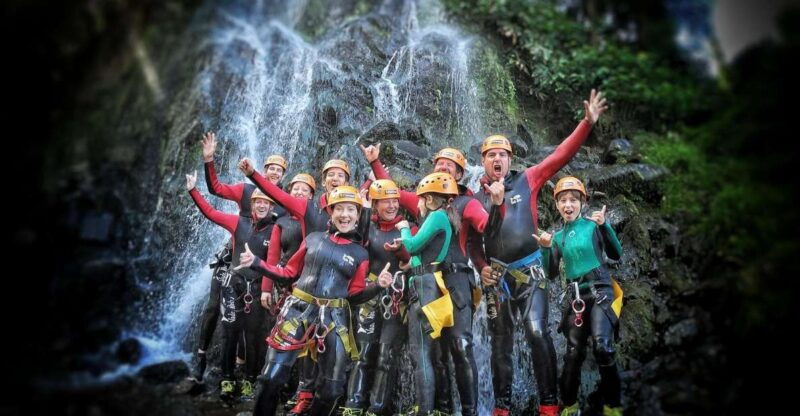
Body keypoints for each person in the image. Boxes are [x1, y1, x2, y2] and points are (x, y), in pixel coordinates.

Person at [475, 90, 607, 416]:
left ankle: (549, 404)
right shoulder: (473, 198)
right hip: (498, 279)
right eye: (490, 155)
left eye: (502, 154)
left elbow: (560, 156)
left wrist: (586, 123)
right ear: (482, 162)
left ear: (509, 159)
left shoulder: (527, 180)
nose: (497, 159)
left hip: (532, 273)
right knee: (500, 343)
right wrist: (479, 266)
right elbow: (467, 242)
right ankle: (501, 407)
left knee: (536, 331)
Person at [361, 145, 502, 416]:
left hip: (457, 279)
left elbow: (486, 227)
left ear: (461, 173)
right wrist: (376, 162)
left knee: (460, 345)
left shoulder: (467, 203)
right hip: (428, 280)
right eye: (440, 163)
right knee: (432, 352)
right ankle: (442, 409)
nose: (444, 167)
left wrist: (496, 206)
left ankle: (470, 411)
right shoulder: (426, 201)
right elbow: (395, 193)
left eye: (450, 165)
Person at [238, 186, 392, 416]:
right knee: (270, 378)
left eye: (351, 209)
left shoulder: (360, 254)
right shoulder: (313, 239)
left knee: (331, 389)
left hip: (335, 318)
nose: (345, 215)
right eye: (339, 209)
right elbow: (290, 272)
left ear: (358, 216)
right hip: (298, 310)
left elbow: (355, 295)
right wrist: (256, 263)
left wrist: (378, 285)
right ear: (331, 212)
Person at [534, 177, 624, 416]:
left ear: (582, 202)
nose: (568, 205)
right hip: (577, 298)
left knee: (603, 347)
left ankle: (613, 406)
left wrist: (605, 225)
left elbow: (616, 253)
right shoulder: (557, 238)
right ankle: (570, 405)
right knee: (573, 354)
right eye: (563, 200)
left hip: (601, 292)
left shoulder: (593, 226)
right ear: (557, 206)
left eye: (573, 200)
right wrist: (544, 248)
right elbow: (551, 274)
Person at [186, 171, 278, 401]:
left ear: (271, 206)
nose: (262, 206)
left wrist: (269, 288)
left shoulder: (276, 230)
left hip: (256, 287)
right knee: (229, 333)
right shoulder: (239, 222)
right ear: (252, 204)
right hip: (233, 285)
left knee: (253, 335)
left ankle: (249, 379)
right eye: (258, 202)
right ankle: (227, 377)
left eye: (266, 203)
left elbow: (275, 260)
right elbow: (210, 213)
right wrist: (193, 190)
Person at [340, 180, 416, 416]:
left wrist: (399, 250)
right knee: (362, 354)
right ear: (375, 204)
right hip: (369, 296)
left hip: (395, 299)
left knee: (385, 355)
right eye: (386, 201)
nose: (392, 205)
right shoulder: (367, 227)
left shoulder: (408, 229)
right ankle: (353, 404)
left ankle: (377, 407)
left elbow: (409, 257)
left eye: (395, 200)